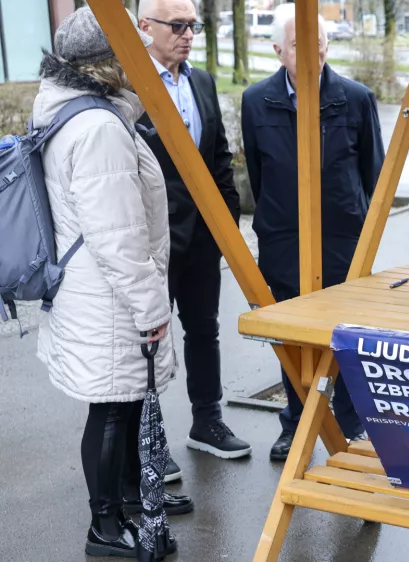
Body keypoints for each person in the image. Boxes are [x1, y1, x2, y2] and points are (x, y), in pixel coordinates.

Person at [33, 7, 180, 556]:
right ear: (106, 63)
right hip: (109, 295)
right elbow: (117, 234)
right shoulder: (97, 128)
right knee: (113, 408)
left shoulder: (69, 111)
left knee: (114, 406)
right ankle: (105, 526)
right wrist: (150, 309)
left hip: (90, 289)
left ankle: (120, 511)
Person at [242, 4, 385, 461]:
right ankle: (297, 423)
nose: (313, 54)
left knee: (343, 338)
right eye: (301, 45)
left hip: (341, 241)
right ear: (278, 49)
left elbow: (374, 175)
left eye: (320, 45)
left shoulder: (354, 98)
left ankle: (348, 424)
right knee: (291, 336)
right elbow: (259, 175)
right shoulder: (256, 101)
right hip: (283, 239)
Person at [137, 0, 252, 472]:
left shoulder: (201, 80)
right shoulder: (130, 86)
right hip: (152, 241)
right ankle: (151, 440)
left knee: (204, 330)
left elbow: (220, 159)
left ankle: (208, 421)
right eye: (177, 26)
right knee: (149, 340)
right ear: (145, 27)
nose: (188, 34)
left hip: (203, 238)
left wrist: (229, 229)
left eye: (193, 25)